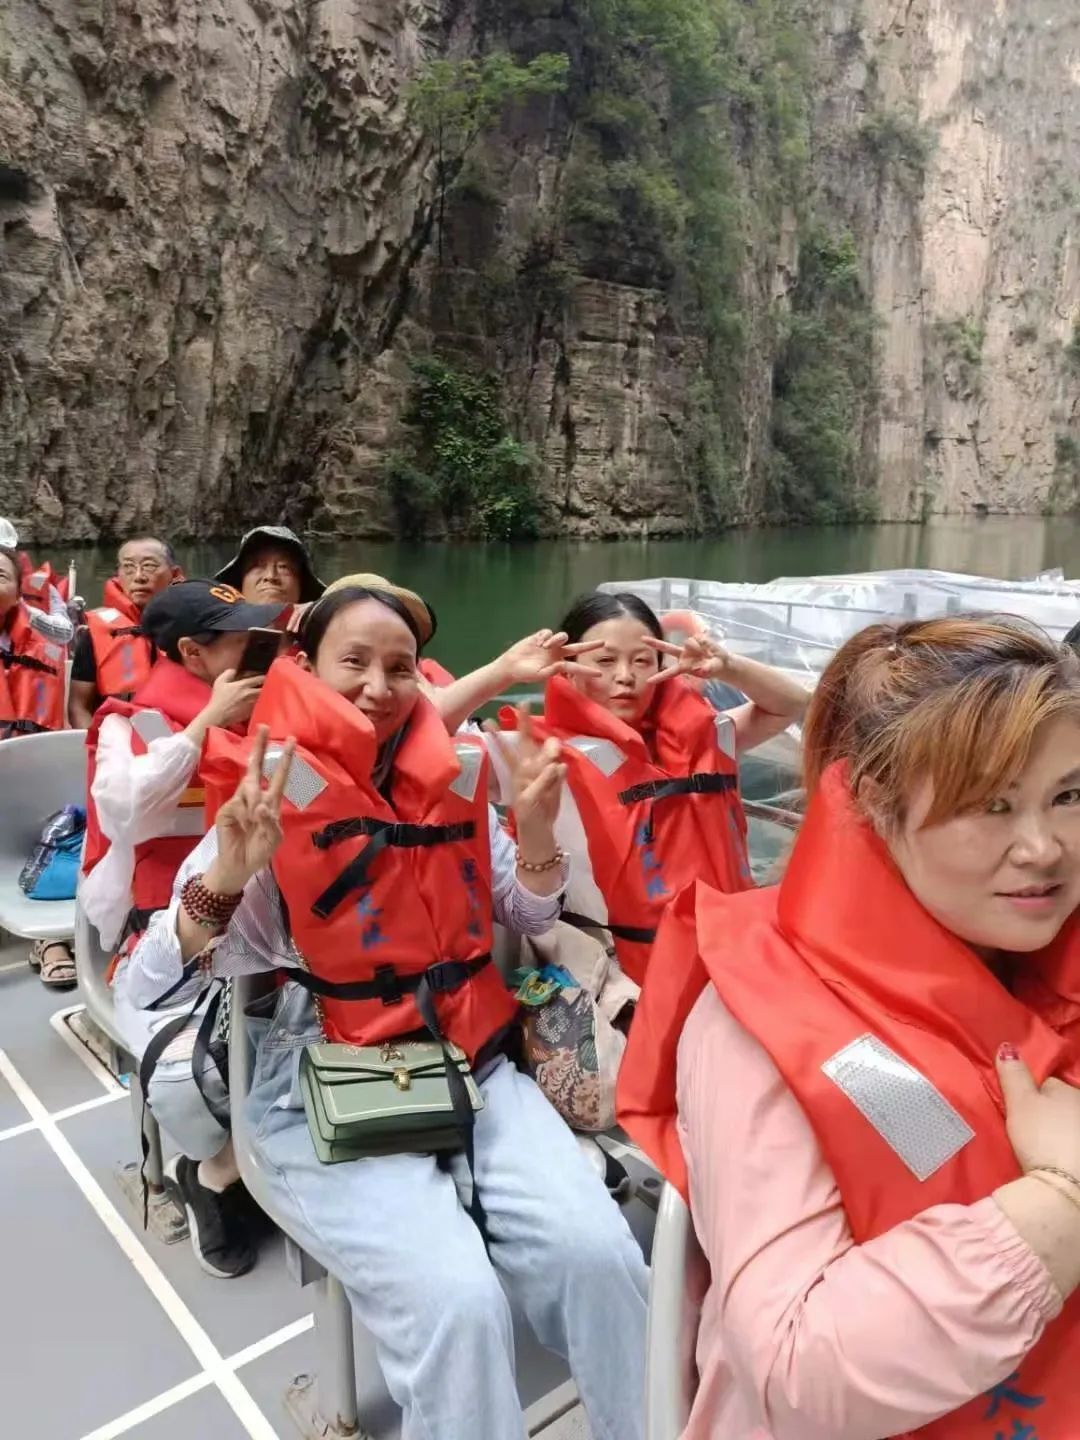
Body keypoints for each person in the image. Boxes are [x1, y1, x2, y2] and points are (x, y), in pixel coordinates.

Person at [125, 584, 648, 1440]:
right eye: (354, 663)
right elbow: (149, 982)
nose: (378, 686)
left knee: (600, 1255)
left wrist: (536, 831)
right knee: (458, 1303)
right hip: (331, 1081)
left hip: (478, 1069)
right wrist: (227, 875)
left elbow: (529, 914)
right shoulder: (275, 795)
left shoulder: (456, 776)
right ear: (307, 669)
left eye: (400, 667)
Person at [621, 615, 1080, 1439]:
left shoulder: (1041, 960)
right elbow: (795, 1370)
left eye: (1069, 797)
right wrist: (1062, 1202)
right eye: (993, 804)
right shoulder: (788, 1027)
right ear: (874, 798)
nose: (1044, 848)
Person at [90, 581, 287, 1278]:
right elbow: (121, 810)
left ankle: (253, 1161)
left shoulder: (273, 716)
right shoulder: (129, 724)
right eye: (239, 640)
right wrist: (205, 722)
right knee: (227, 1043)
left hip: (262, 913)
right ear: (192, 654)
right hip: (163, 932)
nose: (257, 652)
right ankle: (213, 1169)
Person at [493, 591, 808, 987]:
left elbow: (792, 704)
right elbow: (428, 759)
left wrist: (729, 667)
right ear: (568, 669)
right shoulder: (535, 753)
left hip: (729, 957)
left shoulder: (706, 736)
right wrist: (503, 672)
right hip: (622, 979)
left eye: (642, 661)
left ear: (662, 667)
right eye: (605, 661)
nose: (625, 675)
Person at [68, 537, 183, 728]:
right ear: (118, 574)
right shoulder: (94, 634)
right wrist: (95, 744)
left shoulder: (194, 627)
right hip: (116, 738)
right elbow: (78, 707)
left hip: (183, 735)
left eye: (149, 566)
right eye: (128, 567)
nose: (139, 576)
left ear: (175, 574)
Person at [214, 524, 324, 609]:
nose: (271, 576)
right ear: (239, 586)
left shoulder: (323, 630)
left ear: (302, 586)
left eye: (283, 567)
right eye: (257, 566)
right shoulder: (213, 630)